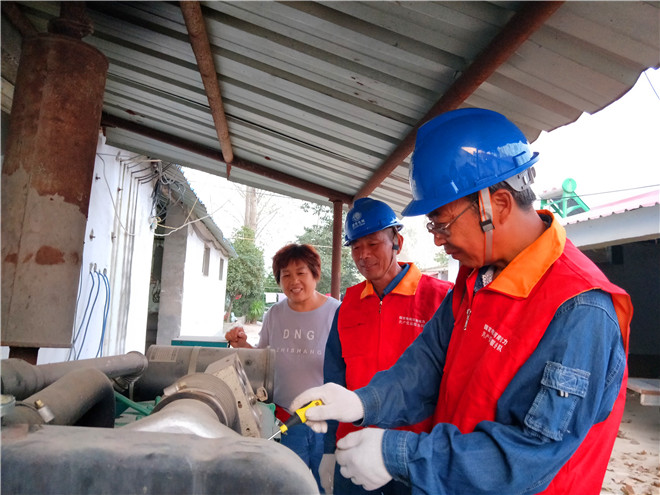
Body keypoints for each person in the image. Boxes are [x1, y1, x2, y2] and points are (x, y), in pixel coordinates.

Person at [292, 108, 632, 495]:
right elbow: (428, 363)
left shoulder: (580, 309)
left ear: (497, 204)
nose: (437, 238)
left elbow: (529, 454)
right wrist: (362, 402)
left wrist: (398, 454)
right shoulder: (475, 280)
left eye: (442, 222)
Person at [322, 197, 453, 495]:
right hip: (353, 448)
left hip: (413, 455)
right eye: (356, 247)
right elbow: (334, 379)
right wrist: (329, 449)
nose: (364, 255)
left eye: (373, 243)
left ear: (397, 242)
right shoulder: (348, 306)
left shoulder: (440, 298)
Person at [225, 243, 340, 493]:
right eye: (285, 275)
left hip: (327, 421)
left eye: (301, 273)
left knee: (327, 485)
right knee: (288, 485)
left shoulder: (336, 312)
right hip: (286, 419)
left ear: (315, 274)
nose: (293, 281)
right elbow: (263, 359)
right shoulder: (275, 314)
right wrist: (242, 345)